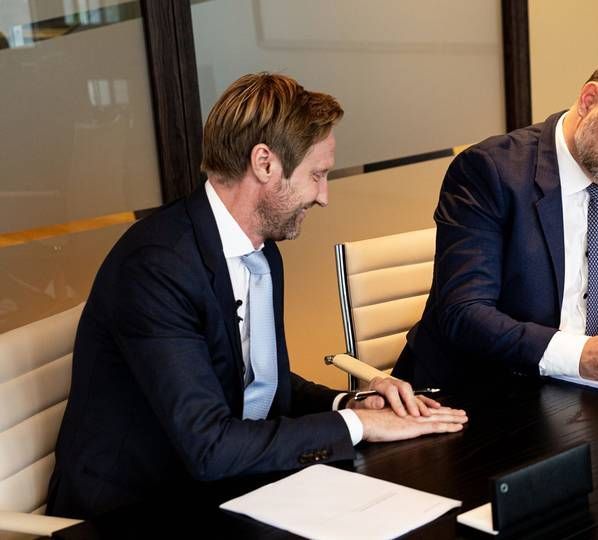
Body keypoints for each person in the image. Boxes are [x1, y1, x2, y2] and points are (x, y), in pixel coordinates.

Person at [47, 73, 467, 518]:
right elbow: (208, 445)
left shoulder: (260, 250)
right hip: (132, 509)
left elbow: (261, 385)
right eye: (317, 175)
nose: (323, 197)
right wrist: (358, 426)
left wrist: (350, 402)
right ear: (265, 163)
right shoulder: (156, 267)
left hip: (223, 484)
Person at [393, 44, 598, 390]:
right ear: (589, 100)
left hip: (588, 393)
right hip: (477, 393)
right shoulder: (491, 172)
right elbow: (464, 313)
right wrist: (576, 355)